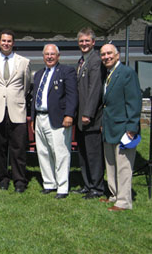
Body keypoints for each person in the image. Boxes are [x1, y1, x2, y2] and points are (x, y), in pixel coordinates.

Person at [0, 29, 31, 193]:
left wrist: (14, 98)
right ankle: (2, 179)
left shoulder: (24, 62)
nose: (6, 43)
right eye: (3, 41)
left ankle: (19, 180)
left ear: (13, 43)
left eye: (9, 41)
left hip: (17, 110)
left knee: (18, 148)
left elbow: (26, 87)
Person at [31, 44, 78, 199]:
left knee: (60, 153)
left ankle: (62, 187)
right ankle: (49, 183)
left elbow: (72, 95)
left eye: (52, 54)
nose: (49, 57)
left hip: (58, 118)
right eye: (46, 54)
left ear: (58, 56)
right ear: (43, 56)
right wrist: (33, 117)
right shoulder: (38, 74)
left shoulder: (67, 71)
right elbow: (34, 98)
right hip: (40, 117)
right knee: (43, 152)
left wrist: (69, 115)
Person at [99, 44, 141, 211]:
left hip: (124, 128)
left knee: (123, 166)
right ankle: (114, 194)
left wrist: (132, 126)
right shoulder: (108, 74)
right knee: (110, 164)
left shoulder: (127, 73)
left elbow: (134, 101)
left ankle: (123, 201)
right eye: (103, 54)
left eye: (109, 53)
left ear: (117, 55)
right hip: (109, 127)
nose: (106, 56)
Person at [73, 27, 105, 199]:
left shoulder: (95, 61)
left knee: (94, 155)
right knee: (83, 154)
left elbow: (95, 89)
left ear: (93, 42)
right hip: (80, 118)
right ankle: (87, 185)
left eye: (87, 41)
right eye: (81, 41)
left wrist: (88, 114)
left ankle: (97, 188)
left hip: (90, 119)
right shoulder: (82, 60)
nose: (84, 44)